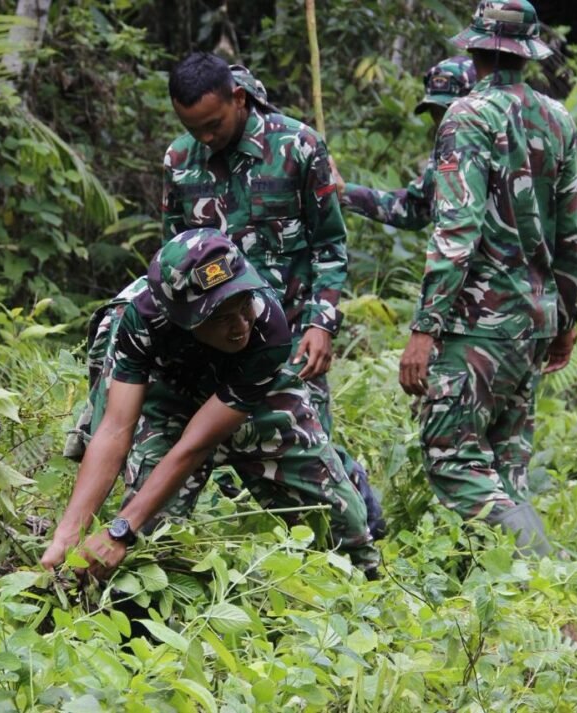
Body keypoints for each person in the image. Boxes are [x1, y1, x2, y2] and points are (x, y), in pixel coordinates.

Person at [46, 229, 378, 579]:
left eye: (243, 305)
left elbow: (195, 446)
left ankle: (364, 584)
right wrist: (69, 531)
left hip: (250, 390)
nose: (239, 326)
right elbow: (115, 429)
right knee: (149, 533)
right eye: (220, 317)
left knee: (338, 513)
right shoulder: (141, 319)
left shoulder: (267, 329)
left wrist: (120, 528)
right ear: (178, 317)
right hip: (169, 389)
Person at [161, 52, 385, 538]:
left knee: (309, 447)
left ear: (238, 99)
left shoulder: (298, 146)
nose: (205, 137)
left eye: (213, 124)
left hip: (292, 333)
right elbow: (172, 259)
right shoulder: (180, 161)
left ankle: (354, 535)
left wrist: (322, 324)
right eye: (192, 126)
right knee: (224, 442)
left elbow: (329, 244)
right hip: (219, 336)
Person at [397, 0, 577, 557]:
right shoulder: (558, 119)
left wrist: (425, 328)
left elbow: (456, 229)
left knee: (453, 457)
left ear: (473, 48)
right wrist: (566, 317)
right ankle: (523, 607)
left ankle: (543, 569)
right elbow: (571, 230)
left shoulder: (467, 116)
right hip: (531, 322)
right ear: (527, 51)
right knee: (506, 463)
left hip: (476, 324)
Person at [336, 56, 477, 230]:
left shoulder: (503, 145)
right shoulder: (445, 150)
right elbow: (415, 208)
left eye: (449, 111)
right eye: (436, 112)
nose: (442, 120)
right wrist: (344, 192)